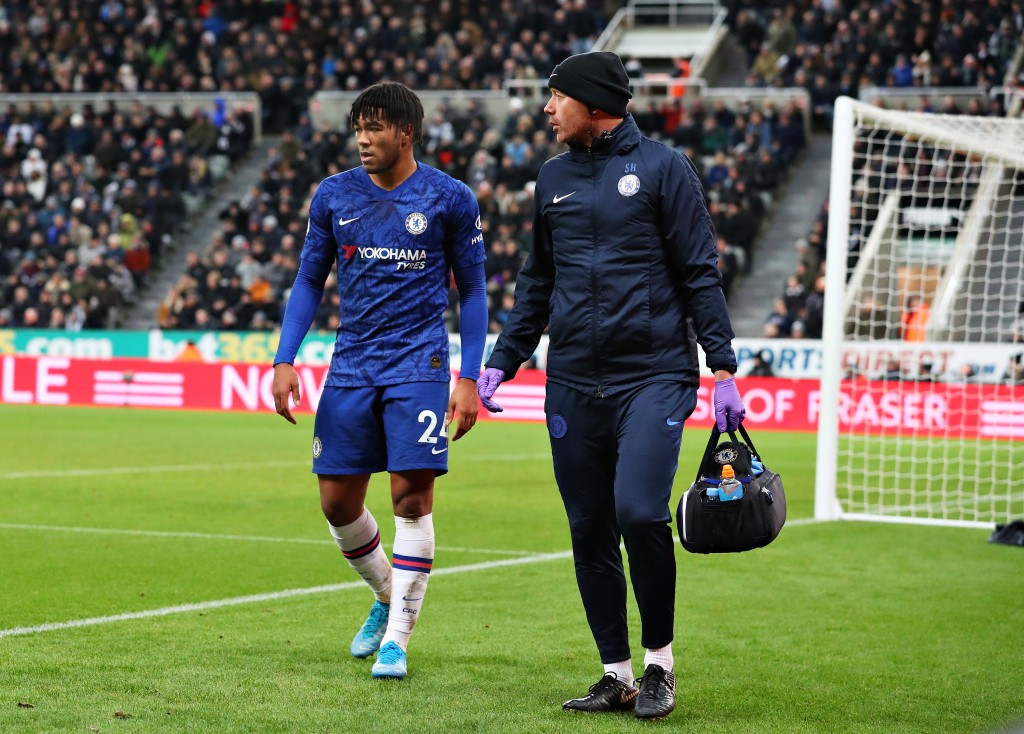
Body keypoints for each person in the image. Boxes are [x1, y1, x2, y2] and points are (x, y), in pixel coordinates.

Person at [475, 51, 746, 721]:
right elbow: (538, 281)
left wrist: (723, 367)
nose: (546, 109)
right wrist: (503, 358)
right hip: (570, 380)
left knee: (637, 513)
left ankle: (660, 665)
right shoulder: (552, 177)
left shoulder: (663, 169)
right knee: (587, 526)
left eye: (556, 96)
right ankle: (616, 674)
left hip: (653, 374)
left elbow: (699, 271)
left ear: (594, 104)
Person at [271, 81, 488, 681]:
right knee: (337, 502)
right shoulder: (334, 195)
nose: (363, 139)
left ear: (405, 133)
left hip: (420, 365)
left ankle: (397, 639)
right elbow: (309, 281)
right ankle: (387, 594)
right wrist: (284, 358)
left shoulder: (450, 198)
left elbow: (471, 291)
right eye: (357, 129)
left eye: (375, 128)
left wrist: (470, 377)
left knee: (409, 498)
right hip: (352, 365)